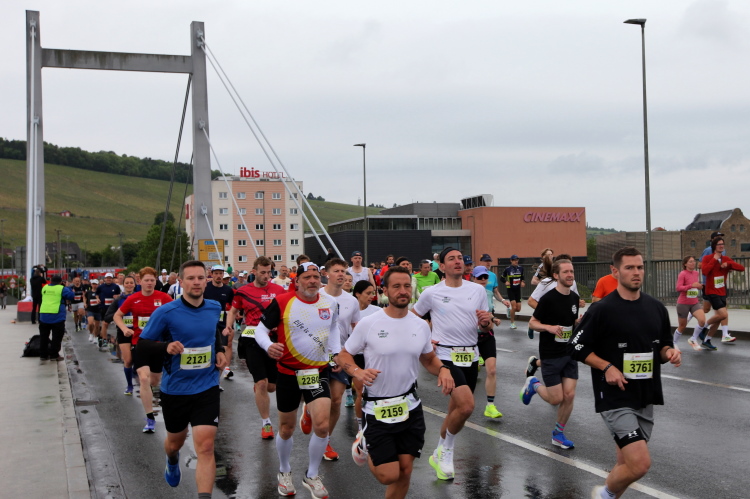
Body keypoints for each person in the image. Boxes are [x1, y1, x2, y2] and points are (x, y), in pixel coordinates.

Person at [568, 247, 681, 499]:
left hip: (645, 395)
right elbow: (575, 346)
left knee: (626, 464)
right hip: (614, 396)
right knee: (640, 464)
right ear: (615, 271)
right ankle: (604, 494)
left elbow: (663, 346)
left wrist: (670, 353)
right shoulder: (602, 309)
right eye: (629, 267)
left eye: (639, 267)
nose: (636, 272)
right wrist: (606, 367)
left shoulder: (656, 308)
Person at [337, 266, 455, 499]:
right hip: (377, 408)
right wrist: (357, 371)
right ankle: (363, 444)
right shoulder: (370, 323)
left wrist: (443, 369)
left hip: (410, 406)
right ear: (385, 290)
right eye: (397, 286)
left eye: (407, 286)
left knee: (406, 471)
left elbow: (428, 358)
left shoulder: (420, 325)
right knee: (388, 475)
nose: (403, 291)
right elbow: (343, 355)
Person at [135, 260, 229, 498]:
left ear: (207, 280)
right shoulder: (166, 312)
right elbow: (142, 345)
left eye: (201, 278)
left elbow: (213, 331)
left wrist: (219, 350)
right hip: (176, 389)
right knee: (175, 443)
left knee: (206, 446)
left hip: (207, 385)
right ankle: (172, 459)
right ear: (181, 282)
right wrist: (165, 347)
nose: (196, 282)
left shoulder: (213, 306)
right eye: (191, 278)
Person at [253, 262, 340, 498]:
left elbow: (333, 329)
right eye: (307, 277)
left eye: (316, 277)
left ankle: (312, 475)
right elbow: (260, 330)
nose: (312, 281)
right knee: (286, 428)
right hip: (288, 373)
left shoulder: (330, 303)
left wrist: (335, 353)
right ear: (297, 281)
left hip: (317, 372)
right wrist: (268, 345)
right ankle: (284, 471)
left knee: (322, 425)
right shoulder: (282, 301)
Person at [412, 247, 494, 480]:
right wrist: (426, 339)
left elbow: (486, 326)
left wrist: (486, 322)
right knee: (466, 406)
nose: (458, 262)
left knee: (456, 410)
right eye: (452, 259)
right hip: (445, 356)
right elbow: (413, 318)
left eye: (460, 258)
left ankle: (438, 452)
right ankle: (447, 451)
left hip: (471, 355)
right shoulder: (432, 293)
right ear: (442, 266)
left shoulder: (477, 290)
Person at [520, 259, 580, 449]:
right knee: (556, 398)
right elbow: (532, 323)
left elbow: (570, 322)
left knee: (569, 395)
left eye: (571, 271)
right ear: (556, 275)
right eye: (566, 272)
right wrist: (549, 328)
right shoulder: (548, 299)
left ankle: (558, 434)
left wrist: (579, 322)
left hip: (569, 352)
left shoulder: (574, 298)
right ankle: (533, 384)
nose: (570, 275)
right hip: (551, 354)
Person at [224, 256, 285, 440]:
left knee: (272, 387)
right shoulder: (242, 291)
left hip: (273, 339)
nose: (266, 276)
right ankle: (266, 424)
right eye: (263, 272)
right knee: (261, 383)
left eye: (269, 273)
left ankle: (260, 388)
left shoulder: (279, 290)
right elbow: (233, 311)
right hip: (251, 338)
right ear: (254, 272)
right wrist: (228, 326)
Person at [113, 267, 173, 433]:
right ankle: (150, 418)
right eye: (146, 280)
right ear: (140, 281)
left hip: (159, 345)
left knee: (154, 381)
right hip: (140, 344)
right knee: (144, 379)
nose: (149, 283)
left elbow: (176, 312)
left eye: (152, 280)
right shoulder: (133, 298)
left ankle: (152, 395)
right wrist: (124, 329)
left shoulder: (164, 297)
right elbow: (117, 315)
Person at [319, 257, 361, 461]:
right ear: (326, 274)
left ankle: (325, 441)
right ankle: (309, 410)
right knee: (319, 399)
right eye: (336, 271)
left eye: (343, 271)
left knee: (336, 400)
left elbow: (356, 329)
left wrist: (348, 354)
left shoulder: (351, 301)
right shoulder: (316, 295)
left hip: (339, 355)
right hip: (315, 355)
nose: (341, 274)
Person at [471, 266, 508, 419]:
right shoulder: (467, 293)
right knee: (470, 375)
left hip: (487, 335)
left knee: (491, 370)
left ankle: (490, 406)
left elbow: (488, 312)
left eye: (485, 277)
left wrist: (494, 319)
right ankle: (463, 404)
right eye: (479, 277)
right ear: (473, 278)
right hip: (470, 338)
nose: (483, 280)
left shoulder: (488, 293)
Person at [699, 237, 745, 349]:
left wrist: (728, 264)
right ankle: (703, 328)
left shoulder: (726, 259)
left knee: (719, 317)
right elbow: (705, 271)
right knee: (723, 315)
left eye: (723, 244)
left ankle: (707, 340)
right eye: (719, 244)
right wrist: (714, 260)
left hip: (722, 291)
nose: (721, 246)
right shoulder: (707, 258)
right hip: (711, 291)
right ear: (714, 246)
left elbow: (742, 268)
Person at [350, 280, 382, 431]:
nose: (371, 296)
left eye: (373, 293)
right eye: (368, 293)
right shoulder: (350, 311)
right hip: (356, 356)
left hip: (374, 356)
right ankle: (361, 427)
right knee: (361, 393)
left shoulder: (377, 311)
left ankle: (378, 423)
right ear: (357, 294)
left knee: (376, 392)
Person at [104, 276, 137, 394]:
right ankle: (129, 386)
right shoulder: (118, 300)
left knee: (139, 360)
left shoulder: (139, 298)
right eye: (127, 283)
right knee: (128, 361)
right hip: (123, 333)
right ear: (123, 285)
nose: (129, 285)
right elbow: (107, 317)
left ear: (135, 284)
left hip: (138, 332)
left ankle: (139, 377)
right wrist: (120, 316)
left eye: (131, 283)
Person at [202, 265, 235, 385]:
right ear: (211, 274)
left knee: (223, 348)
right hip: (207, 323)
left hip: (222, 324)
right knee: (209, 348)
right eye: (216, 273)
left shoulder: (228, 290)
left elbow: (233, 307)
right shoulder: (205, 287)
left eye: (221, 273)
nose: (218, 276)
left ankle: (217, 382)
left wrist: (231, 322)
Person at [38, 274, 75, 361]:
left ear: (51, 281)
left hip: (44, 314)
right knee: (57, 337)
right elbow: (70, 296)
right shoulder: (62, 288)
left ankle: (43, 355)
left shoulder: (45, 287)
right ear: (60, 282)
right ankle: (54, 355)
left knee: (44, 336)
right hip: (57, 315)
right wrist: (69, 289)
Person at [674, 256, 706, 352]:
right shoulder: (682, 274)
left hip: (694, 302)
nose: (693, 263)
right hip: (683, 303)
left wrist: (699, 286)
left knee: (702, 321)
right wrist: (691, 285)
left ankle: (693, 339)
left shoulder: (696, 273)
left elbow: (695, 286)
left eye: (694, 261)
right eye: (690, 261)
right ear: (685, 264)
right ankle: (674, 343)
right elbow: (678, 288)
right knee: (682, 326)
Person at [97, 272, 121, 350]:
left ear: (112, 279)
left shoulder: (116, 286)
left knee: (115, 325)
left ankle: (115, 340)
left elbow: (119, 295)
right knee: (104, 324)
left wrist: (117, 296)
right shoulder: (101, 287)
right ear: (105, 279)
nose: (108, 279)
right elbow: (97, 294)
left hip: (113, 308)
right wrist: (97, 299)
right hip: (103, 307)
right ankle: (104, 339)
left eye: (110, 278)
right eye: (107, 278)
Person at [500, 254, 525, 329]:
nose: (516, 261)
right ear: (511, 261)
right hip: (510, 289)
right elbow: (501, 278)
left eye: (517, 260)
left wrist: (522, 282)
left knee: (518, 309)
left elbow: (522, 277)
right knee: (514, 306)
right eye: (514, 260)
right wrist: (505, 282)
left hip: (517, 290)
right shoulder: (507, 269)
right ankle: (512, 323)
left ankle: (510, 311)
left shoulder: (521, 268)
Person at [84, 279, 102, 344]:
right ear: (91, 285)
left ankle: (95, 337)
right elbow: (84, 297)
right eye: (93, 284)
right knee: (91, 323)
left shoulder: (100, 292)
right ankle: (91, 333)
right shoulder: (88, 292)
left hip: (98, 310)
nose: (94, 285)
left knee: (97, 325)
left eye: (96, 284)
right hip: (90, 309)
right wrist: (85, 303)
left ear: (98, 285)